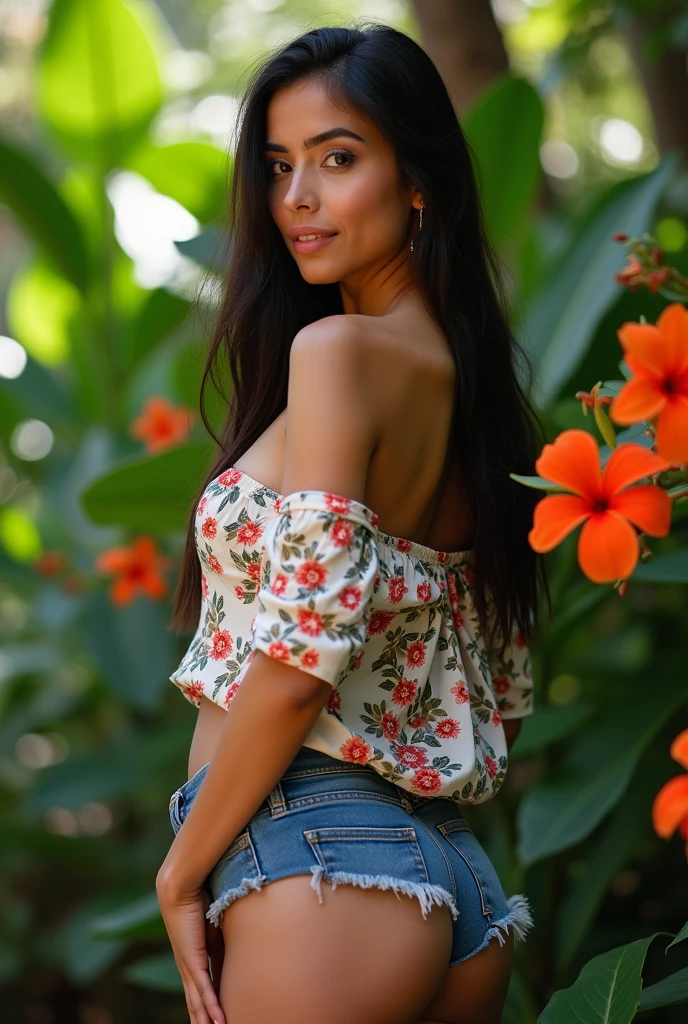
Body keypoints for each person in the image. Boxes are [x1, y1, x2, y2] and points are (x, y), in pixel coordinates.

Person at [156, 21, 548, 1024]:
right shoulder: (469, 395)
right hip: (451, 881)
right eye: (281, 166)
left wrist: (181, 872)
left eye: (337, 159)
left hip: (314, 862)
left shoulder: (336, 354)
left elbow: (296, 665)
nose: (296, 199)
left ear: (417, 182)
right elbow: (495, 685)